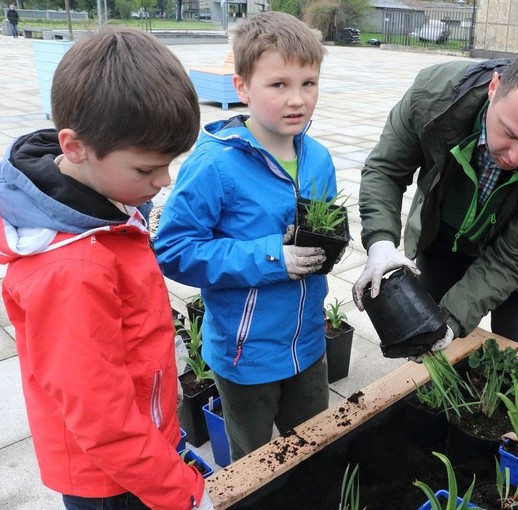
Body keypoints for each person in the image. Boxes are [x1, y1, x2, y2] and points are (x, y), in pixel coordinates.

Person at [0, 29, 213, 509]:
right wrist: (184, 495)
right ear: (73, 147)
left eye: (169, 163)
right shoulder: (71, 268)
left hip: (141, 444)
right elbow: (103, 420)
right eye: (146, 170)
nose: (163, 182)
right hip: (109, 479)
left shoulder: (102, 201)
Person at [154, 11, 334, 461]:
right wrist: (273, 255)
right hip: (245, 355)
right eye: (279, 85)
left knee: (314, 450)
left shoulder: (319, 159)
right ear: (242, 88)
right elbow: (175, 251)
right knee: (254, 462)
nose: (297, 99)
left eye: (308, 83)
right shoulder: (215, 165)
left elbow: (323, 232)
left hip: (309, 344)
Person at [352, 44, 518, 350]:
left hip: (517, 252)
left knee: (514, 343)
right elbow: (385, 170)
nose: (516, 157)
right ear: (494, 87)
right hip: (445, 229)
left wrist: (453, 321)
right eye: (510, 134)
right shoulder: (432, 97)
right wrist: (381, 241)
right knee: (425, 334)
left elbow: (510, 258)